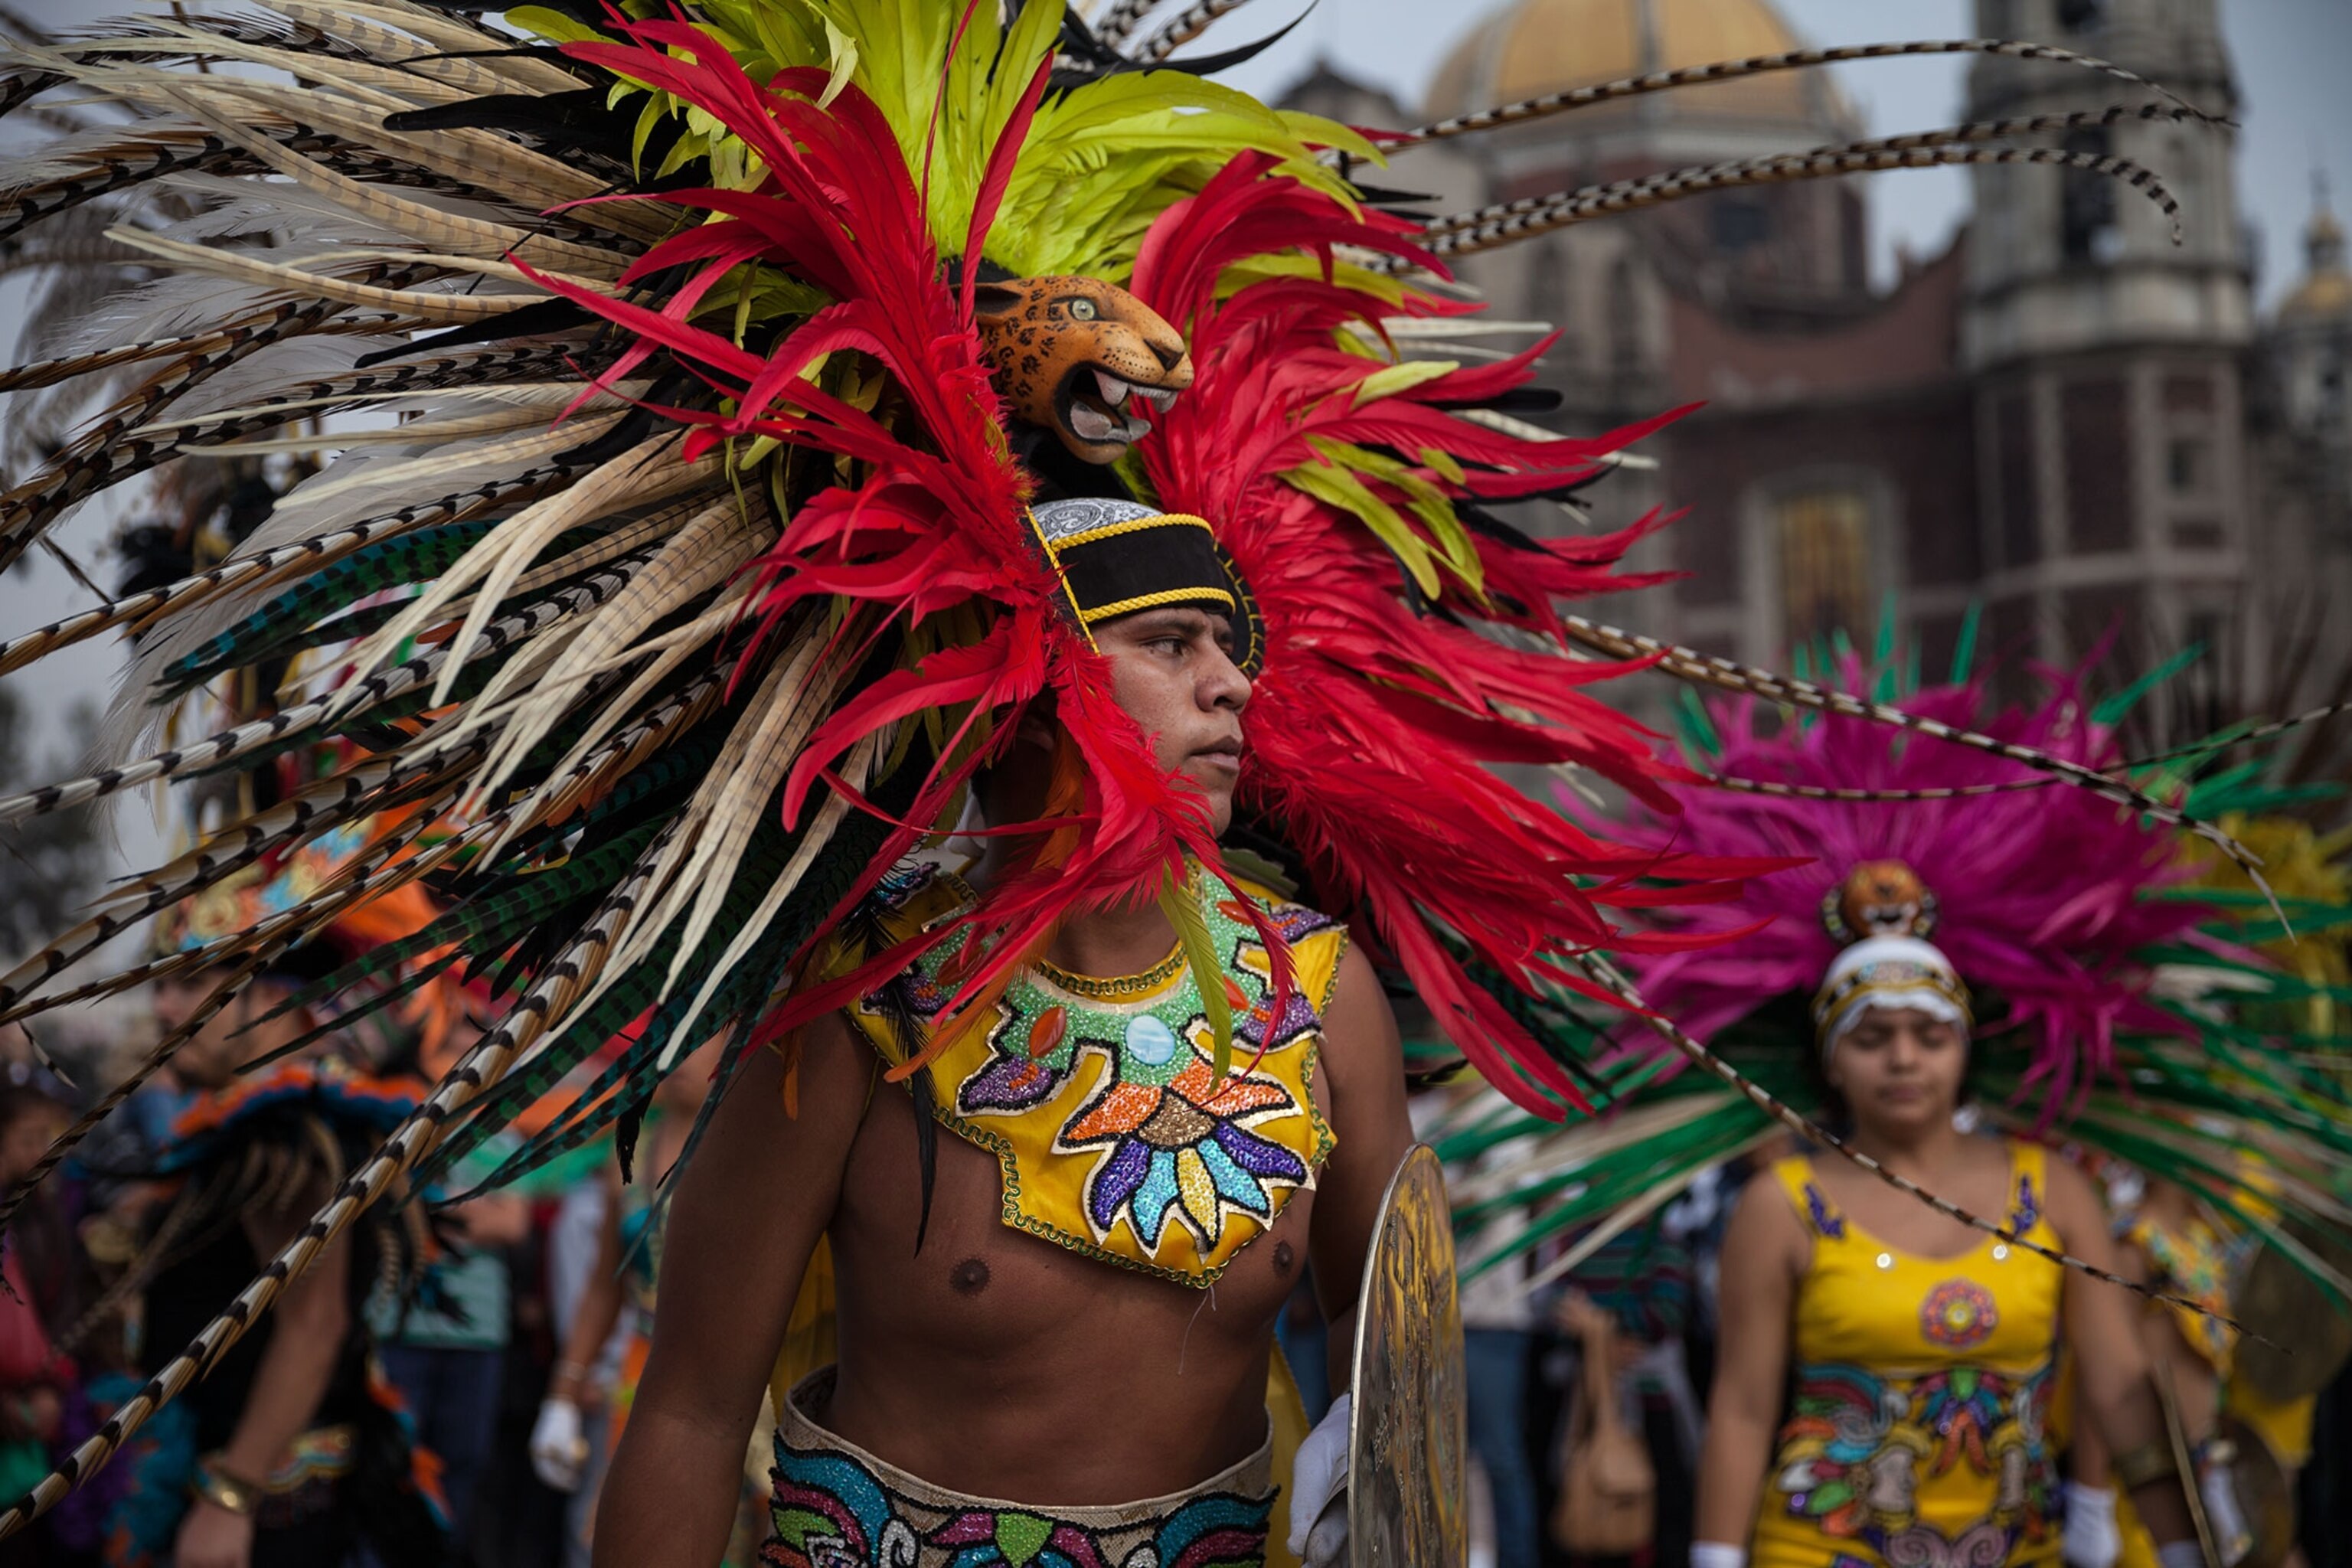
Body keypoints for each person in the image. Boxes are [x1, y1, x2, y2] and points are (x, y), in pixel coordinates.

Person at [591, 497, 1415, 1566]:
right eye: (1170, 644)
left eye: (1227, 646)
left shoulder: (1320, 996)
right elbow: (693, 1413)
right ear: (1030, 692)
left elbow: (1402, 1398)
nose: (1233, 682)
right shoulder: (855, 1005)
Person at [1691, 933, 2207, 1568]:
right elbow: (1742, 1408)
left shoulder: (2053, 1190)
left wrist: (2182, 1547)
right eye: (1871, 1038)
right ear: (1830, 1059)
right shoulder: (1780, 1206)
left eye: (1929, 1036)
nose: (1903, 1059)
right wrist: (1714, 1559)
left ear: (1963, 1048)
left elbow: (2119, 1389)